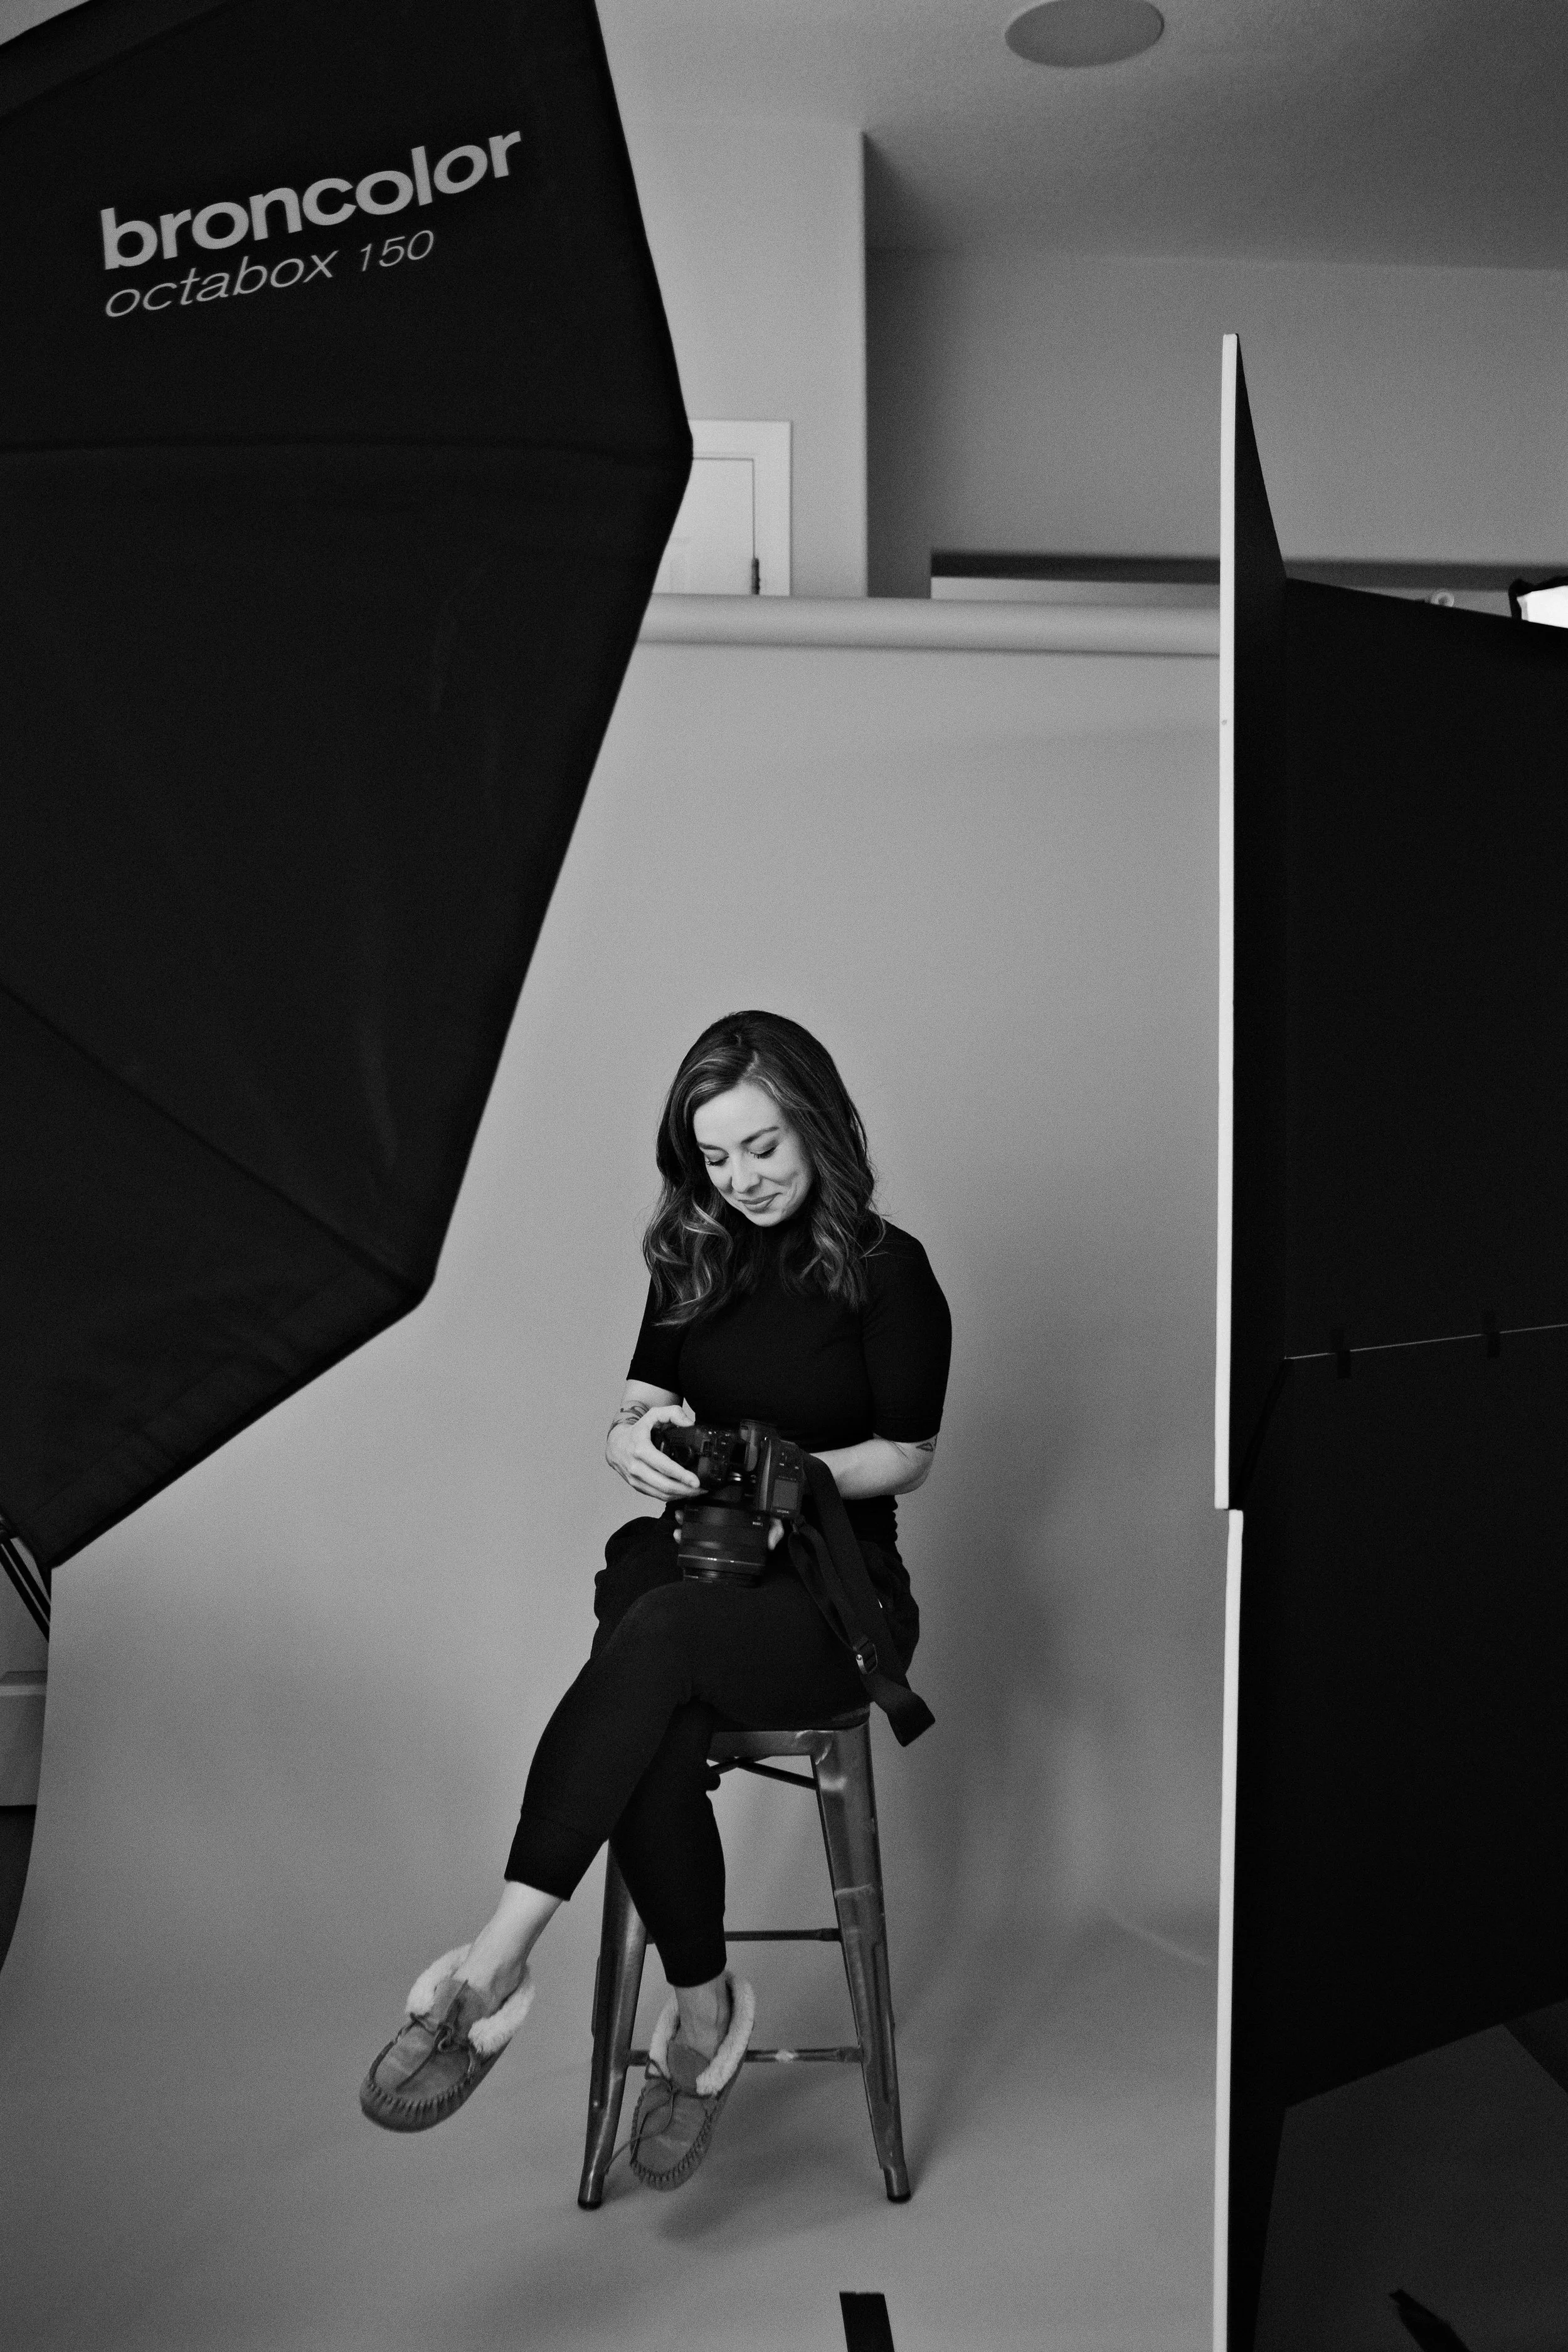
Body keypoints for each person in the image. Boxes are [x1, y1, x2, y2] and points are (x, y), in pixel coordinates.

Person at [359, 1010, 951, 2188]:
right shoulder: (695, 1252)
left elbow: (910, 1453)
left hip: (831, 1591)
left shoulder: (892, 1271)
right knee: (652, 1692)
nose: (741, 1179)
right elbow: (641, 1402)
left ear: (821, 1126)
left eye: (763, 1148)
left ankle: (493, 1961)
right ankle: (705, 2008)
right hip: (696, 1562)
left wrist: (788, 1471)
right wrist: (630, 1439)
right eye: (715, 1157)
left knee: (654, 1639)